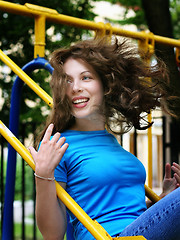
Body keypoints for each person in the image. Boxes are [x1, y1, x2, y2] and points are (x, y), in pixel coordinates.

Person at [29, 36, 180, 240]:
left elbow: (121, 209)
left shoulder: (111, 141)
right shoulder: (58, 144)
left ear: (105, 84)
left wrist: (163, 201)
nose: (75, 87)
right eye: (67, 80)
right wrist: (44, 174)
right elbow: (52, 234)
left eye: (85, 77)